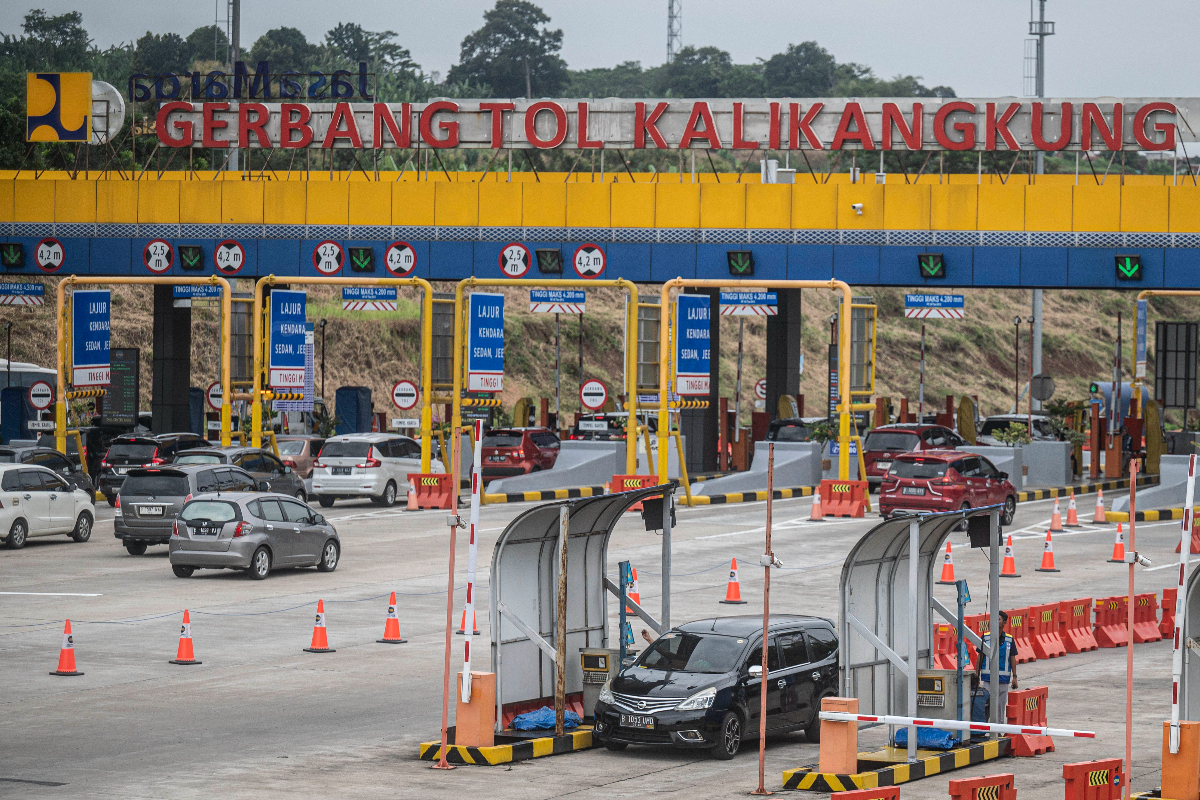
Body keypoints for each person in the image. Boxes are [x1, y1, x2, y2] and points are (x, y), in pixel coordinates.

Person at [976, 610, 1017, 725]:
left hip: (1003, 680)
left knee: (1000, 707)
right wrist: (976, 674)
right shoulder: (986, 637)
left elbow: (1012, 658)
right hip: (988, 679)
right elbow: (980, 657)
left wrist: (1014, 677)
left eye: (998, 619)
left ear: (1004, 622)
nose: (995, 621)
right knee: (986, 706)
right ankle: (984, 727)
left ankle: (998, 729)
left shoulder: (1009, 639)